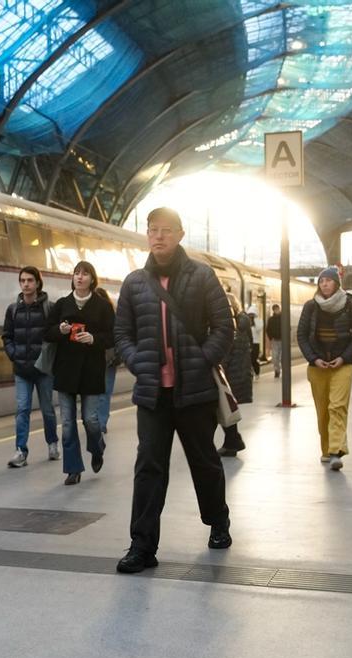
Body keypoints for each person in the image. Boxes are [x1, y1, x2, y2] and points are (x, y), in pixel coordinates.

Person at [113, 208, 234, 574]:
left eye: (166, 231)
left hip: (194, 392)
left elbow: (224, 327)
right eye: (153, 231)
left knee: (204, 461)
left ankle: (218, 522)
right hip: (152, 394)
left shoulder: (202, 275)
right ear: (147, 235)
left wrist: (201, 360)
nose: (159, 237)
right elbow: (122, 335)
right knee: (148, 467)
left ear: (180, 235)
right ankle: (142, 545)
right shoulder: (134, 283)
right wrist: (137, 362)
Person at [44, 261, 113, 485]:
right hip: (65, 371)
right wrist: (60, 330)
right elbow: (47, 332)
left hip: (92, 370)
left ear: (92, 279)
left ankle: (97, 446)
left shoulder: (102, 306)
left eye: (84, 274)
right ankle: (73, 468)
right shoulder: (62, 304)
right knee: (67, 422)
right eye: (76, 273)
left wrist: (94, 339)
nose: (80, 277)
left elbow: (113, 335)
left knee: (91, 420)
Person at [297, 267, 352, 471]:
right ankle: (326, 450)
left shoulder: (349, 305)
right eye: (321, 281)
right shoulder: (310, 306)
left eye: (328, 280)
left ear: (336, 283)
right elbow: (301, 335)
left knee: (337, 407)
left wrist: (343, 358)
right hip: (318, 366)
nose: (324, 284)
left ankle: (336, 451)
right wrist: (314, 359)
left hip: (343, 365)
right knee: (323, 410)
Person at [1, 266, 59, 468]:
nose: (25, 284)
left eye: (29, 280)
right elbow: (6, 336)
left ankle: (52, 443)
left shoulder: (49, 309)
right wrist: (13, 354)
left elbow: (54, 338)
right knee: (22, 409)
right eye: (22, 280)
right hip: (22, 370)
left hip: (43, 369)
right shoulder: (13, 309)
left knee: (47, 409)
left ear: (37, 283)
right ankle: (20, 451)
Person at [218, 293, 254, 457]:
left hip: (231, 376)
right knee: (225, 408)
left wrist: (219, 371)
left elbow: (226, 353)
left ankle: (233, 440)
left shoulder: (232, 327)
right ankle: (232, 440)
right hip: (240, 374)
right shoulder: (243, 325)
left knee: (219, 408)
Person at [95, 287, 120, 435]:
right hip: (93, 360)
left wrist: (115, 355)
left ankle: (101, 423)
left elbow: (119, 338)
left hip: (109, 361)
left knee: (105, 392)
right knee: (95, 393)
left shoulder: (113, 317)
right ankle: (96, 421)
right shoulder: (88, 316)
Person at [266, 303, 283, 378]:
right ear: (273, 310)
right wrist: (271, 338)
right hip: (275, 340)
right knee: (275, 357)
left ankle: (283, 370)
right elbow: (268, 329)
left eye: (277, 309)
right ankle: (277, 371)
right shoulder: (271, 319)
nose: (277, 310)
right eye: (275, 309)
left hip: (283, 341)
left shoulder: (284, 318)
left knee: (282, 357)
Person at [247, 304, 262, 376]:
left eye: (253, 314)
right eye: (250, 314)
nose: (251, 316)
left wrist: (254, 320)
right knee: (249, 359)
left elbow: (259, 329)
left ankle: (257, 372)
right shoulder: (247, 322)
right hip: (249, 343)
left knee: (254, 359)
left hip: (256, 343)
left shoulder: (259, 321)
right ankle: (251, 373)